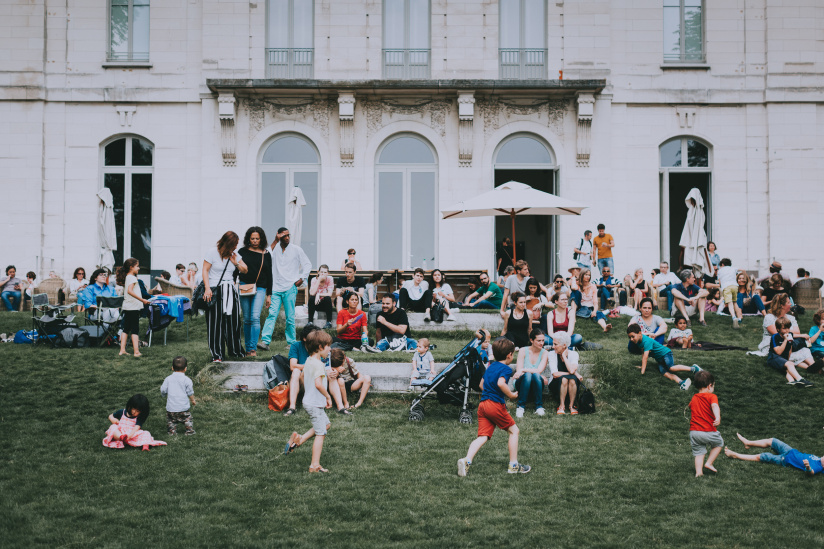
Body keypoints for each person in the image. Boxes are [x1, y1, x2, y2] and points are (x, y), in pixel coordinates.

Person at [457, 337, 531, 477]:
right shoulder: (506, 369)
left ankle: (466, 460)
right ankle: (514, 465)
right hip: (494, 405)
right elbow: (501, 383)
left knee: (483, 436)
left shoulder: (490, 366)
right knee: (514, 431)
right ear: (509, 355)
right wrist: (511, 395)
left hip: (483, 405)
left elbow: (481, 385)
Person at [284, 330, 333, 474]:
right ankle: (314, 465)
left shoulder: (309, 360)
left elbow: (305, 376)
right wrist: (328, 396)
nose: (330, 349)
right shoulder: (318, 365)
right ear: (320, 347)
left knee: (326, 425)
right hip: (314, 403)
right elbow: (318, 384)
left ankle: (299, 439)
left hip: (310, 401)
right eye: (328, 346)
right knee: (321, 433)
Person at [259, 227, 311, 349]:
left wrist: (301, 278)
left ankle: (291, 342)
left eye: (288, 235)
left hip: (290, 287)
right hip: (275, 287)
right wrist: (275, 240)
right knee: (272, 315)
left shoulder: (296, 249)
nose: (287, 238)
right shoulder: (274, 248)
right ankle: (265, 342)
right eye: (284, 236)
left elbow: (307, 264)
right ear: (279, 237)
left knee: (290, 316)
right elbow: (265, 254)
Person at [203, 231, 247, 363]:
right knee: (215, 323)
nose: (236, 247)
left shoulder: (234, 255)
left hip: (230, 290)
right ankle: (217, 354)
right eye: (234, 244)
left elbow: (245, 269)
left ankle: (235, 351)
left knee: (234, 322)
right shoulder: (212, 252)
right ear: (227, 243)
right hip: (215, 290)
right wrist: (207, 288)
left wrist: (236, 263)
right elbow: (205, 270)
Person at [626, 323, 701, 391]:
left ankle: (694, 368)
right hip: (659, 359)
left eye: (633, 336)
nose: (631, 339)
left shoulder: (646, 341)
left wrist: (642, 372)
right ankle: (682, 382)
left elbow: (645, 357)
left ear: (639, 333)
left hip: (666, 354)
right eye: (630, 338)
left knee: (671, 368)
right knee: (665, 373)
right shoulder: (638, 342)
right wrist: (642, 366)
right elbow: (643, 353)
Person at [237, 226, 272, 356]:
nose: (255, 241)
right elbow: (237, 269)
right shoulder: (242, 251)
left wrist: (269, 294)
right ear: (248, 239)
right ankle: (247, 348)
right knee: (246, 318)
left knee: (255, 317)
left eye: (257, 238)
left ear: (261, 239)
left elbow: (269, 275)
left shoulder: (266, 254)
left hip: (261, 287)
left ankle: (252, 349)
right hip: (245, 286)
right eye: (252, 238)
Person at [725, 433, 824, 476]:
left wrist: (807, 467)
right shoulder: (819, 459)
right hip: (791, 450)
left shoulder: (818, 466)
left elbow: (811, 473)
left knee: (762, 456)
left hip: (784, 460)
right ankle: (748, 443)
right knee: (772, 441)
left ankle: (735, 455)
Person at [689, 370, 723, 477]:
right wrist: (717, 417)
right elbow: (714, 406)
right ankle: (709, 463)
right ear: (709, 386)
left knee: (699, 452)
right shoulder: (712, 397)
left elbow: (690, 406)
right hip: (708, 431)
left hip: (694, 432)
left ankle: (699, 473)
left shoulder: (694, 397)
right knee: (719, 443)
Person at [102, 394, 166, 450]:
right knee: (113, 427)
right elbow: (110, 416)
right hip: (120, 433)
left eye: (137, 411)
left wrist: (129, 436)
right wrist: (113, 420)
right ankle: (121, 438)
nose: (134, 412)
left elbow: (136, 427)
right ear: (129, 406)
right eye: (133, 409)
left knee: (146, 433)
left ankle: (145, 445)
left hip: (131, 434)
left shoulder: (139, 417)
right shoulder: (122, 412)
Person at [116, 258, 150, 357]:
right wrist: (142, 300)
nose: (139, 268)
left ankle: (122, 350)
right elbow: (130, 291)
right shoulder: (132, 278)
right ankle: (136, 352)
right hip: (133, 307)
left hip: (127, 306)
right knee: (135, 329)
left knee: (126, 328)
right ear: (131, 267)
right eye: (137, 266)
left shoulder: (128, 277)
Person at [767, 317, 814, 387]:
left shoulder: (790, 335)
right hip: (773, 358)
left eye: (788, 328)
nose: (787, 331)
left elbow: (790, 348)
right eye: (784, 328)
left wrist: (787, 359)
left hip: (783, 359)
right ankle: (800, 380)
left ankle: (792, 382)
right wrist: (785, 340)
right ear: (778, 329)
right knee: (790, 364)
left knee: (788, 368)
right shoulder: (775, 337)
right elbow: (778, 352)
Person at [514, 328, 548, 418]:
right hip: (522, 383)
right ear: (531, 340)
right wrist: (522, 371)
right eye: (539, 340)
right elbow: (519, 371)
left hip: (536, 384)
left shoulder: (545, 353)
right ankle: (520, 407)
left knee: (536, 375)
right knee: (528, 375)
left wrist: (523, 370)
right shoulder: (523, 350)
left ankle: (539, 407)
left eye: (543, 340)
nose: (542, 343)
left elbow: (539, 370)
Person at [546, 331, 582, 415]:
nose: (552, 346)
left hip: (572, 384)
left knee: (572, 380)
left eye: (555, 344)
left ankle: (571, 406)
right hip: (556, 384)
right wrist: (575, 374)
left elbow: (572, 370)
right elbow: (555, 374)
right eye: (553, 344)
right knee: (565, 379)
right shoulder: (551, 354)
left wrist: (564, 357)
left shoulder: (573, 354)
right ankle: (561, 406)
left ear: (564, 345)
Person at [160, 356, 196, 436]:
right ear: (185, 369)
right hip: (183, 407)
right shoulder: (187, 380)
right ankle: (189, 431)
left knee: (171, 420)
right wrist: (193, 400)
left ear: (172, 368)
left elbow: (163, 390)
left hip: (171, 407)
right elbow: (190, 392)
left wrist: (163, 395)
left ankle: (172, 432)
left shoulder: (168, 379)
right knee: (187, 419)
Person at [576, 268, 612, 333]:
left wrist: (595, 311)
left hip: (591, 307)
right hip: (582, 307)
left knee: (598, 314)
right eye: (586, 275)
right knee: (588, 312)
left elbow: (595, 302)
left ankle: (605, 327)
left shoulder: (593, 286)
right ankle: (589, 314)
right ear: (582, 275)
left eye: (589, 275)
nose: (588, 277)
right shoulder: (578, 286)